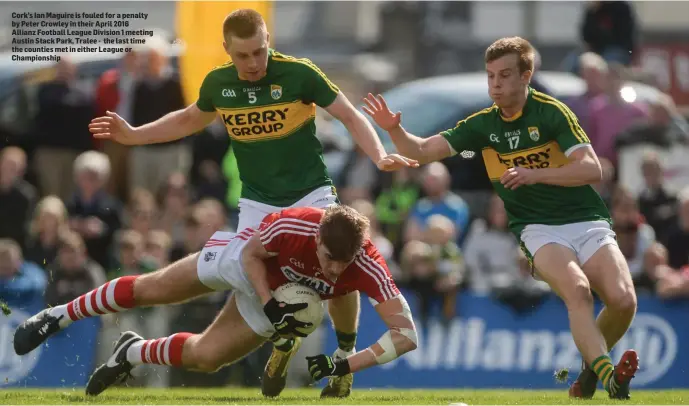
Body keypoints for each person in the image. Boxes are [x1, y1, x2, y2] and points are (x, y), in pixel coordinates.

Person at [87, 8, 417, 398]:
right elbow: (189, 119)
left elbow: (348, 114)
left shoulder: (300, 73)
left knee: (339, 261)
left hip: (311, 192)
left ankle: (340, 354)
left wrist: (378, 156)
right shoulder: (219, 84)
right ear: (227, 50)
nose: (254, 62)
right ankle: (278, 334)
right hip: (257, 208)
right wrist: (136, 134)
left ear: (268, 43)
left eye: (260, 52)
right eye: (243, 55)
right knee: (210, 354)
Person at [362, 36, 639, 400]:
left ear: (527, 76)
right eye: (491, 75)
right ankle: (610, 376)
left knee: (623, 301)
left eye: (505, 75)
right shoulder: (482, 126)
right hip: (539, 229)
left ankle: (589, 374)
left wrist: (534, 173)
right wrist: (394, 128)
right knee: (579, 293)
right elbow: (420, 150)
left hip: (586, 219)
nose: (495, 84)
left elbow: (591, 169)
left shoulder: (552, 112)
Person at [13, 205, 418, 397]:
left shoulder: (364, 262)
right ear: (316, 240)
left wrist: (343, 363)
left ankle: (133, 352)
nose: (333, 269)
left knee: (207, 357)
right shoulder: (295, 225)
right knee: (150, 289)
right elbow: (251, 257)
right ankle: (58, 315)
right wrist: (270, 302)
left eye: (343, 262)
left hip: (281, 298)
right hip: (246, 264)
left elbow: (406, 335)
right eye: (329, 259)